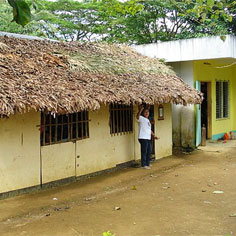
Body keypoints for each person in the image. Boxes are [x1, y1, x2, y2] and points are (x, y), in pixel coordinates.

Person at [136, 105, 159, 169]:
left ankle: (147, 163)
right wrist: (140, 109)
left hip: (148, 137)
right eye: (145, 112)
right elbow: (137, 117)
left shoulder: (147, 120)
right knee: (144, 151)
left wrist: (154, 135)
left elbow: (149, 130)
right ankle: (143, 165)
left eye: (148, 112)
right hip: (143, 137)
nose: (147, 113)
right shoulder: (141, 118)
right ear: (143, 113)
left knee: (149, 150)